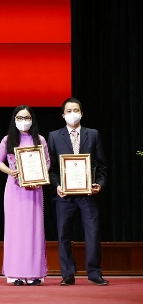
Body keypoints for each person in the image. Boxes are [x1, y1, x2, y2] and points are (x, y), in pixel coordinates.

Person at [48, 97, 109, 286]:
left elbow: (102, 166)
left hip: (88, 195)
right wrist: (57, 186)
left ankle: (94, 272)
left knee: (93, 233)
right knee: (63, 234)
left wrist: (99, 184)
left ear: (81, 113)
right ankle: (67, 274)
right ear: (63, 115)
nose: (72, 114)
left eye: (76, 110)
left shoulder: (93, 134)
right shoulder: (54, 136)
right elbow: (51, 168)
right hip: (64, 196)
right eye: (69, 111)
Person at [0, 105, 49, 286]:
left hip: (34, 189)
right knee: (15, 231)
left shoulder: (39, 139)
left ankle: (34, 274)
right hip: (14, 190)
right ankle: (15, 274)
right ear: (14, 120)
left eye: (27, 118)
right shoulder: (8, 140)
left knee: (34, 230)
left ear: (32, 120)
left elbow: (47, 162)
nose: (23, 121)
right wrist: (11, 172)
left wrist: (38, 177)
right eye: (20, 118)